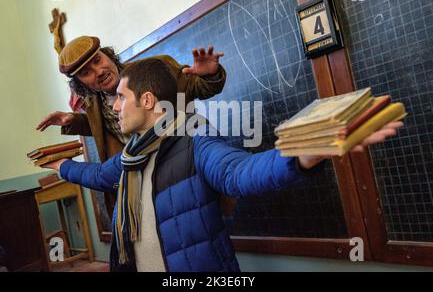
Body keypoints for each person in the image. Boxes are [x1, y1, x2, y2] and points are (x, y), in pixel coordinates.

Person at [42, 58, 403, 272]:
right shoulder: (129, 158)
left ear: (148, 100)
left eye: (122, 98)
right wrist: (62, 168)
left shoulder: (195, 141)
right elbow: (97, 175)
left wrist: (304, 152)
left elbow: (238, 173)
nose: (115, 107)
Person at [36, 36, 233, 216]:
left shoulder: (154, 69)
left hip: (184, 171)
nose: (99, 72)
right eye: (86, 72)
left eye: (98, 60)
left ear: (108, 55)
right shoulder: (92, 102)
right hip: (141, 187)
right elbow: (107, 127)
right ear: (80, 83)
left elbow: (199, 88)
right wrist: (73, 121)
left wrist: (209, 75)